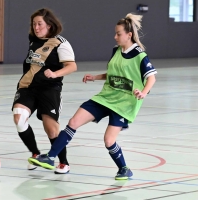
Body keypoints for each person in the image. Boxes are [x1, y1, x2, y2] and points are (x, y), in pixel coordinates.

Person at [28, 13, 157, 180]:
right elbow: (113, 74)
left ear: (129, 35)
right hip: (105, 97)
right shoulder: (116, 51)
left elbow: (151, 77)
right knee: (73, 122)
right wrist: (95, 77)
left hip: (124, 103)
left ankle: (124, 168)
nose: (115, 36)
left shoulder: (140, 55)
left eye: (118, 33)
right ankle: (51, 157)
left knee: (109, 141)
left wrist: (143, 92)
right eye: (115, 33)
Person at [12, 8, 77, 174]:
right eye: (34, 24)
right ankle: (35, 153)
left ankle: (63, 162)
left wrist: (55, 73)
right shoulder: (33, 40)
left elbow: (72, 66)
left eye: (39, 24)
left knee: (52, 129)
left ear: (49, 25)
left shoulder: (60, 43)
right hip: (28, 87)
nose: (36, 27)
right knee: (19, 118)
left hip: (49, 89)